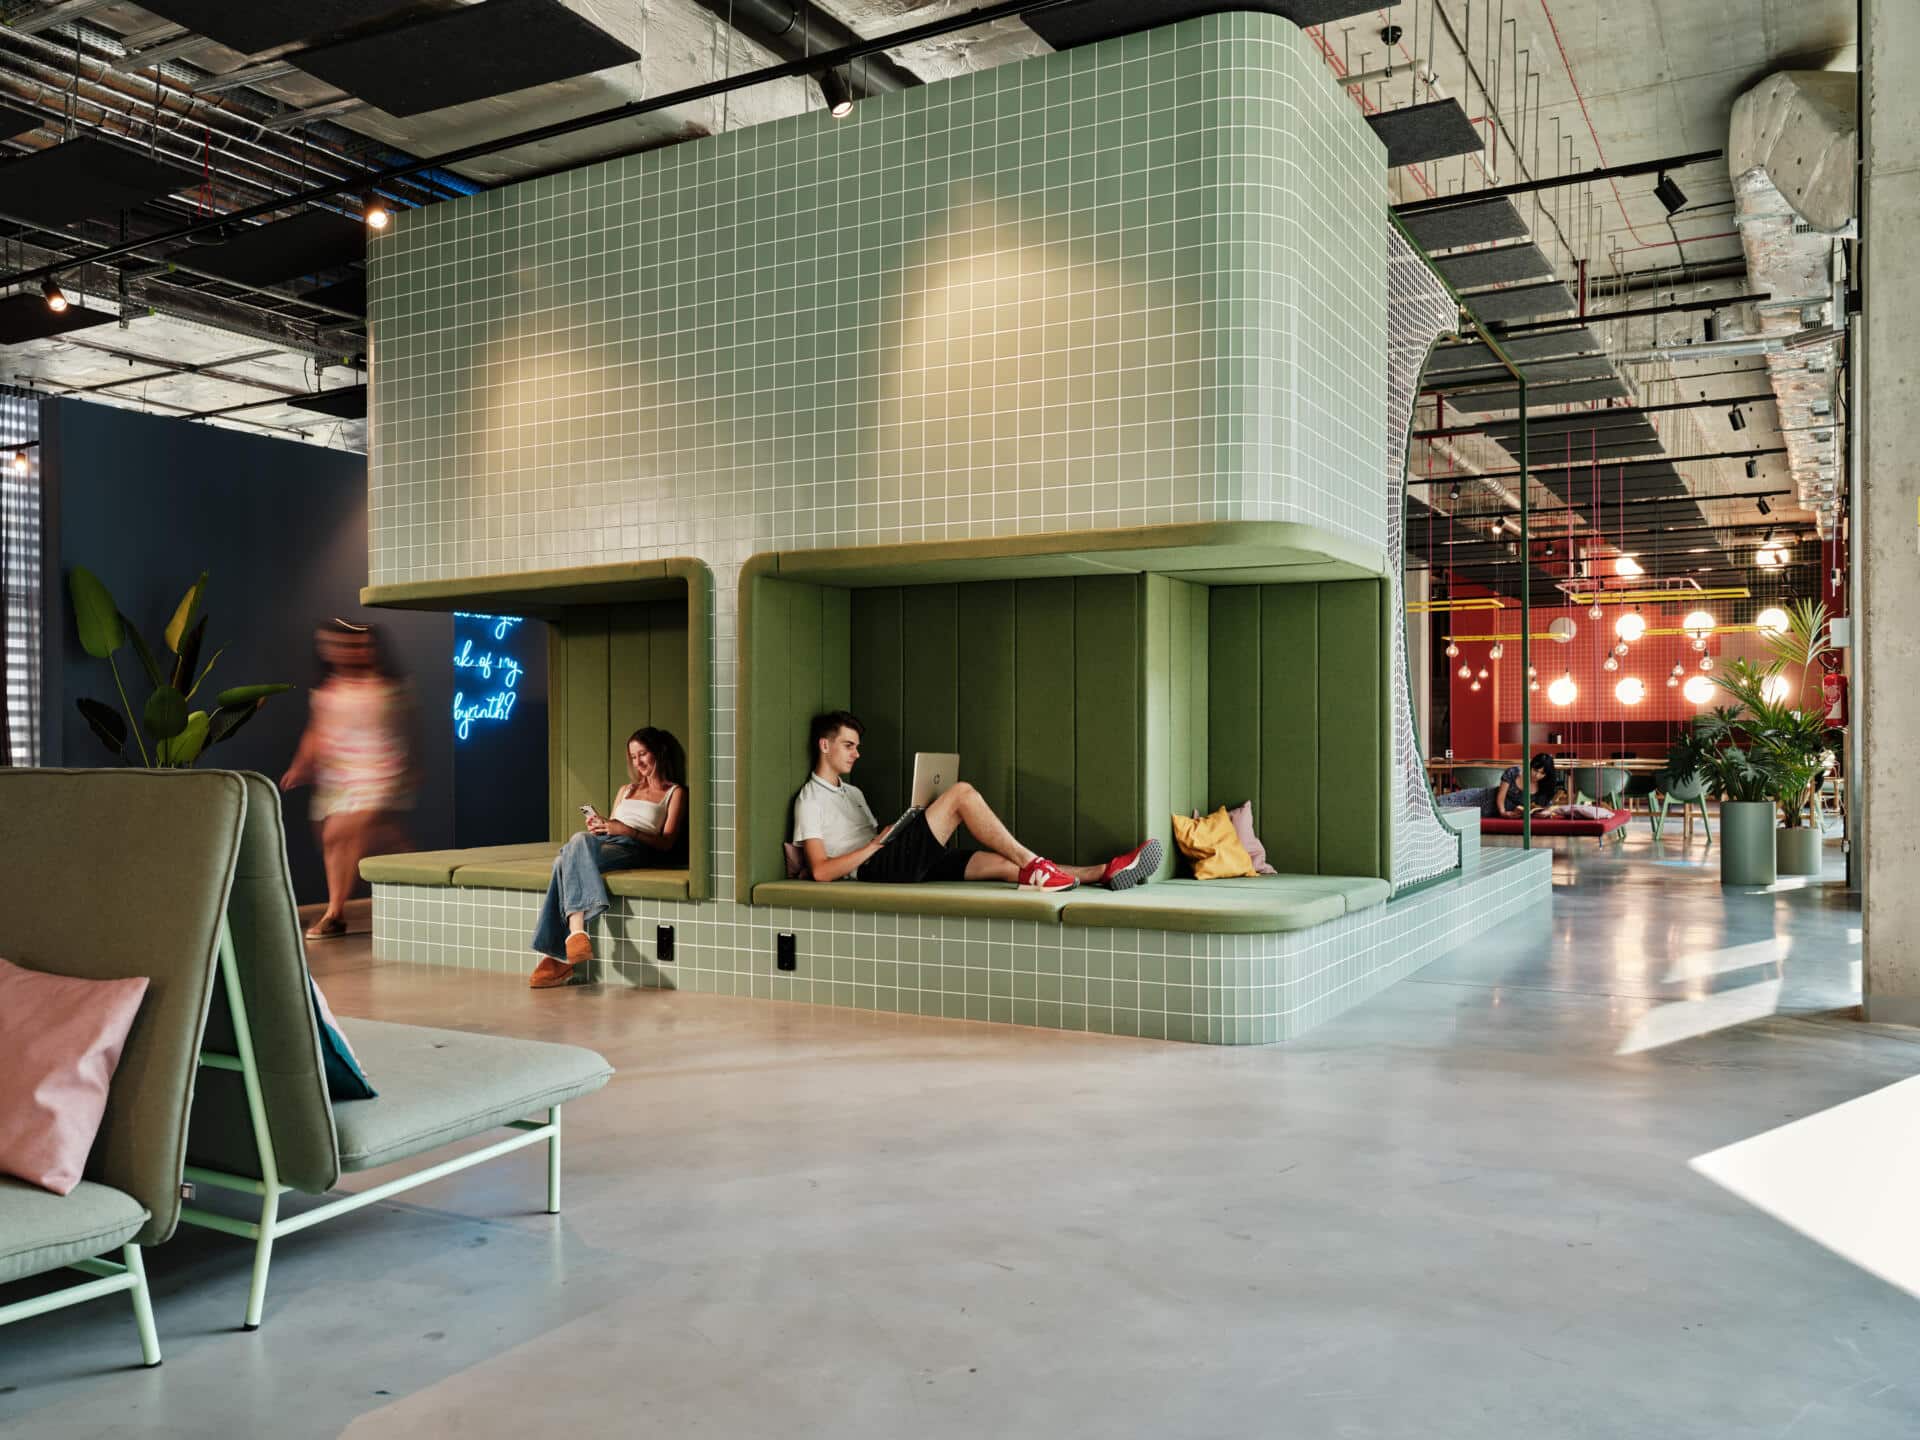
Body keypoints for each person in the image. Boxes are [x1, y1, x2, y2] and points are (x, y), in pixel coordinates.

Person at [794, 711, 1159, 891]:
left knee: (999, 864)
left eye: (857, 747)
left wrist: (899, 832)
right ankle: (1036, 865)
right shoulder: (810, 800)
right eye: (848, 745)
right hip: (876, 869)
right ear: (824, 745)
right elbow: (821, 871)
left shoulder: (851, 792)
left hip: (892, 855)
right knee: (962, 793)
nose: (856, 754)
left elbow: (875, 838)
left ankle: (1101, 873)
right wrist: (876, 845)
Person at [281, 622, 414, 940]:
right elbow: (316, 731)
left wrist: (411, 768)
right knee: (378, 842)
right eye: (339, 645)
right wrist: (301, 765)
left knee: (336, 834)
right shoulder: (327, 691)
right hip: (338, 778)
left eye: (358, 645)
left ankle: (335, 913)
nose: (350, 652)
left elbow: (411, 732)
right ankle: (427, 891)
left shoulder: (390, 688)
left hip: (380, 774)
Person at [528, 726, 688, 989]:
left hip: (637, 848)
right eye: (633, 757)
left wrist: (626, 830)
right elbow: (613, 823)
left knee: (567, 854)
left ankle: (561, 952)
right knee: (573, 848)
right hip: (607, 842)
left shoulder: (674, 792)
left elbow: (667, 842)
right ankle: (573, 940)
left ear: (658, 752)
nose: (638, 762)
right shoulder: (626, 789)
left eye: (643, 754)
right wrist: (603, 825)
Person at [1443, 753, 1559, 819]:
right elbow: (1501, 797)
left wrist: (1544, 813)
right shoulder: (1514, 772)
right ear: (1530, 766)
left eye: (1542, 773)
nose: (1537, 775)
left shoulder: (1545, 788)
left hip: (1489, 813)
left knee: (1451, 815)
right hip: (1481, 798)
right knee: (1441, 803)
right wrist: (1503, 813)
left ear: (1547, 775)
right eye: (1535, 770)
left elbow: (1547, 809)